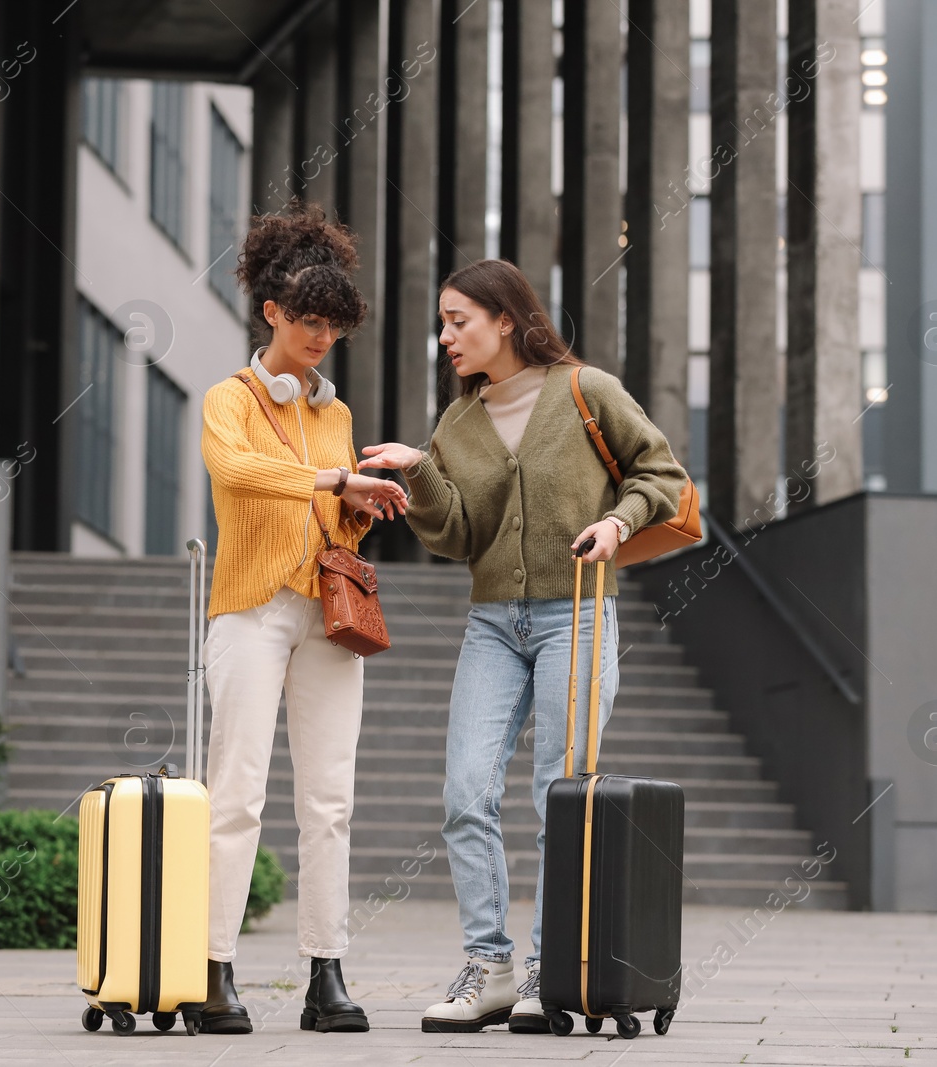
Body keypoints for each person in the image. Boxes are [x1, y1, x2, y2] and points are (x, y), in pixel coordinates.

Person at [358, 258, 686, 1033]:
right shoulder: (458, 423)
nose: (445, 337)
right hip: (493, 622)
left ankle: (552, 966)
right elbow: (458, 535)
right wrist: (420, 472)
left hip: (577, 613)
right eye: (441, 322)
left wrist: (618, 521)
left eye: (457, 321)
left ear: (506, 319)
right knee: (466, 791)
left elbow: (660, 472)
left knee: (557, 795)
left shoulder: (585, 391)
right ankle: (491, 964)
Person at [197, 201, 408, 1034]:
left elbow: (331, 520)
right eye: (309, 321)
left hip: (327, 616)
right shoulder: (231, 397)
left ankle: (327, 972)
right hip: (250, 610)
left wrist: (359, 504)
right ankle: (213, 970)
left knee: (329, 798)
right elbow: (237, 470)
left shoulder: (337, 416)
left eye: (335, 326)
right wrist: (328, 482)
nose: (322, 339)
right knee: (236, 793)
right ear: (272, 311)